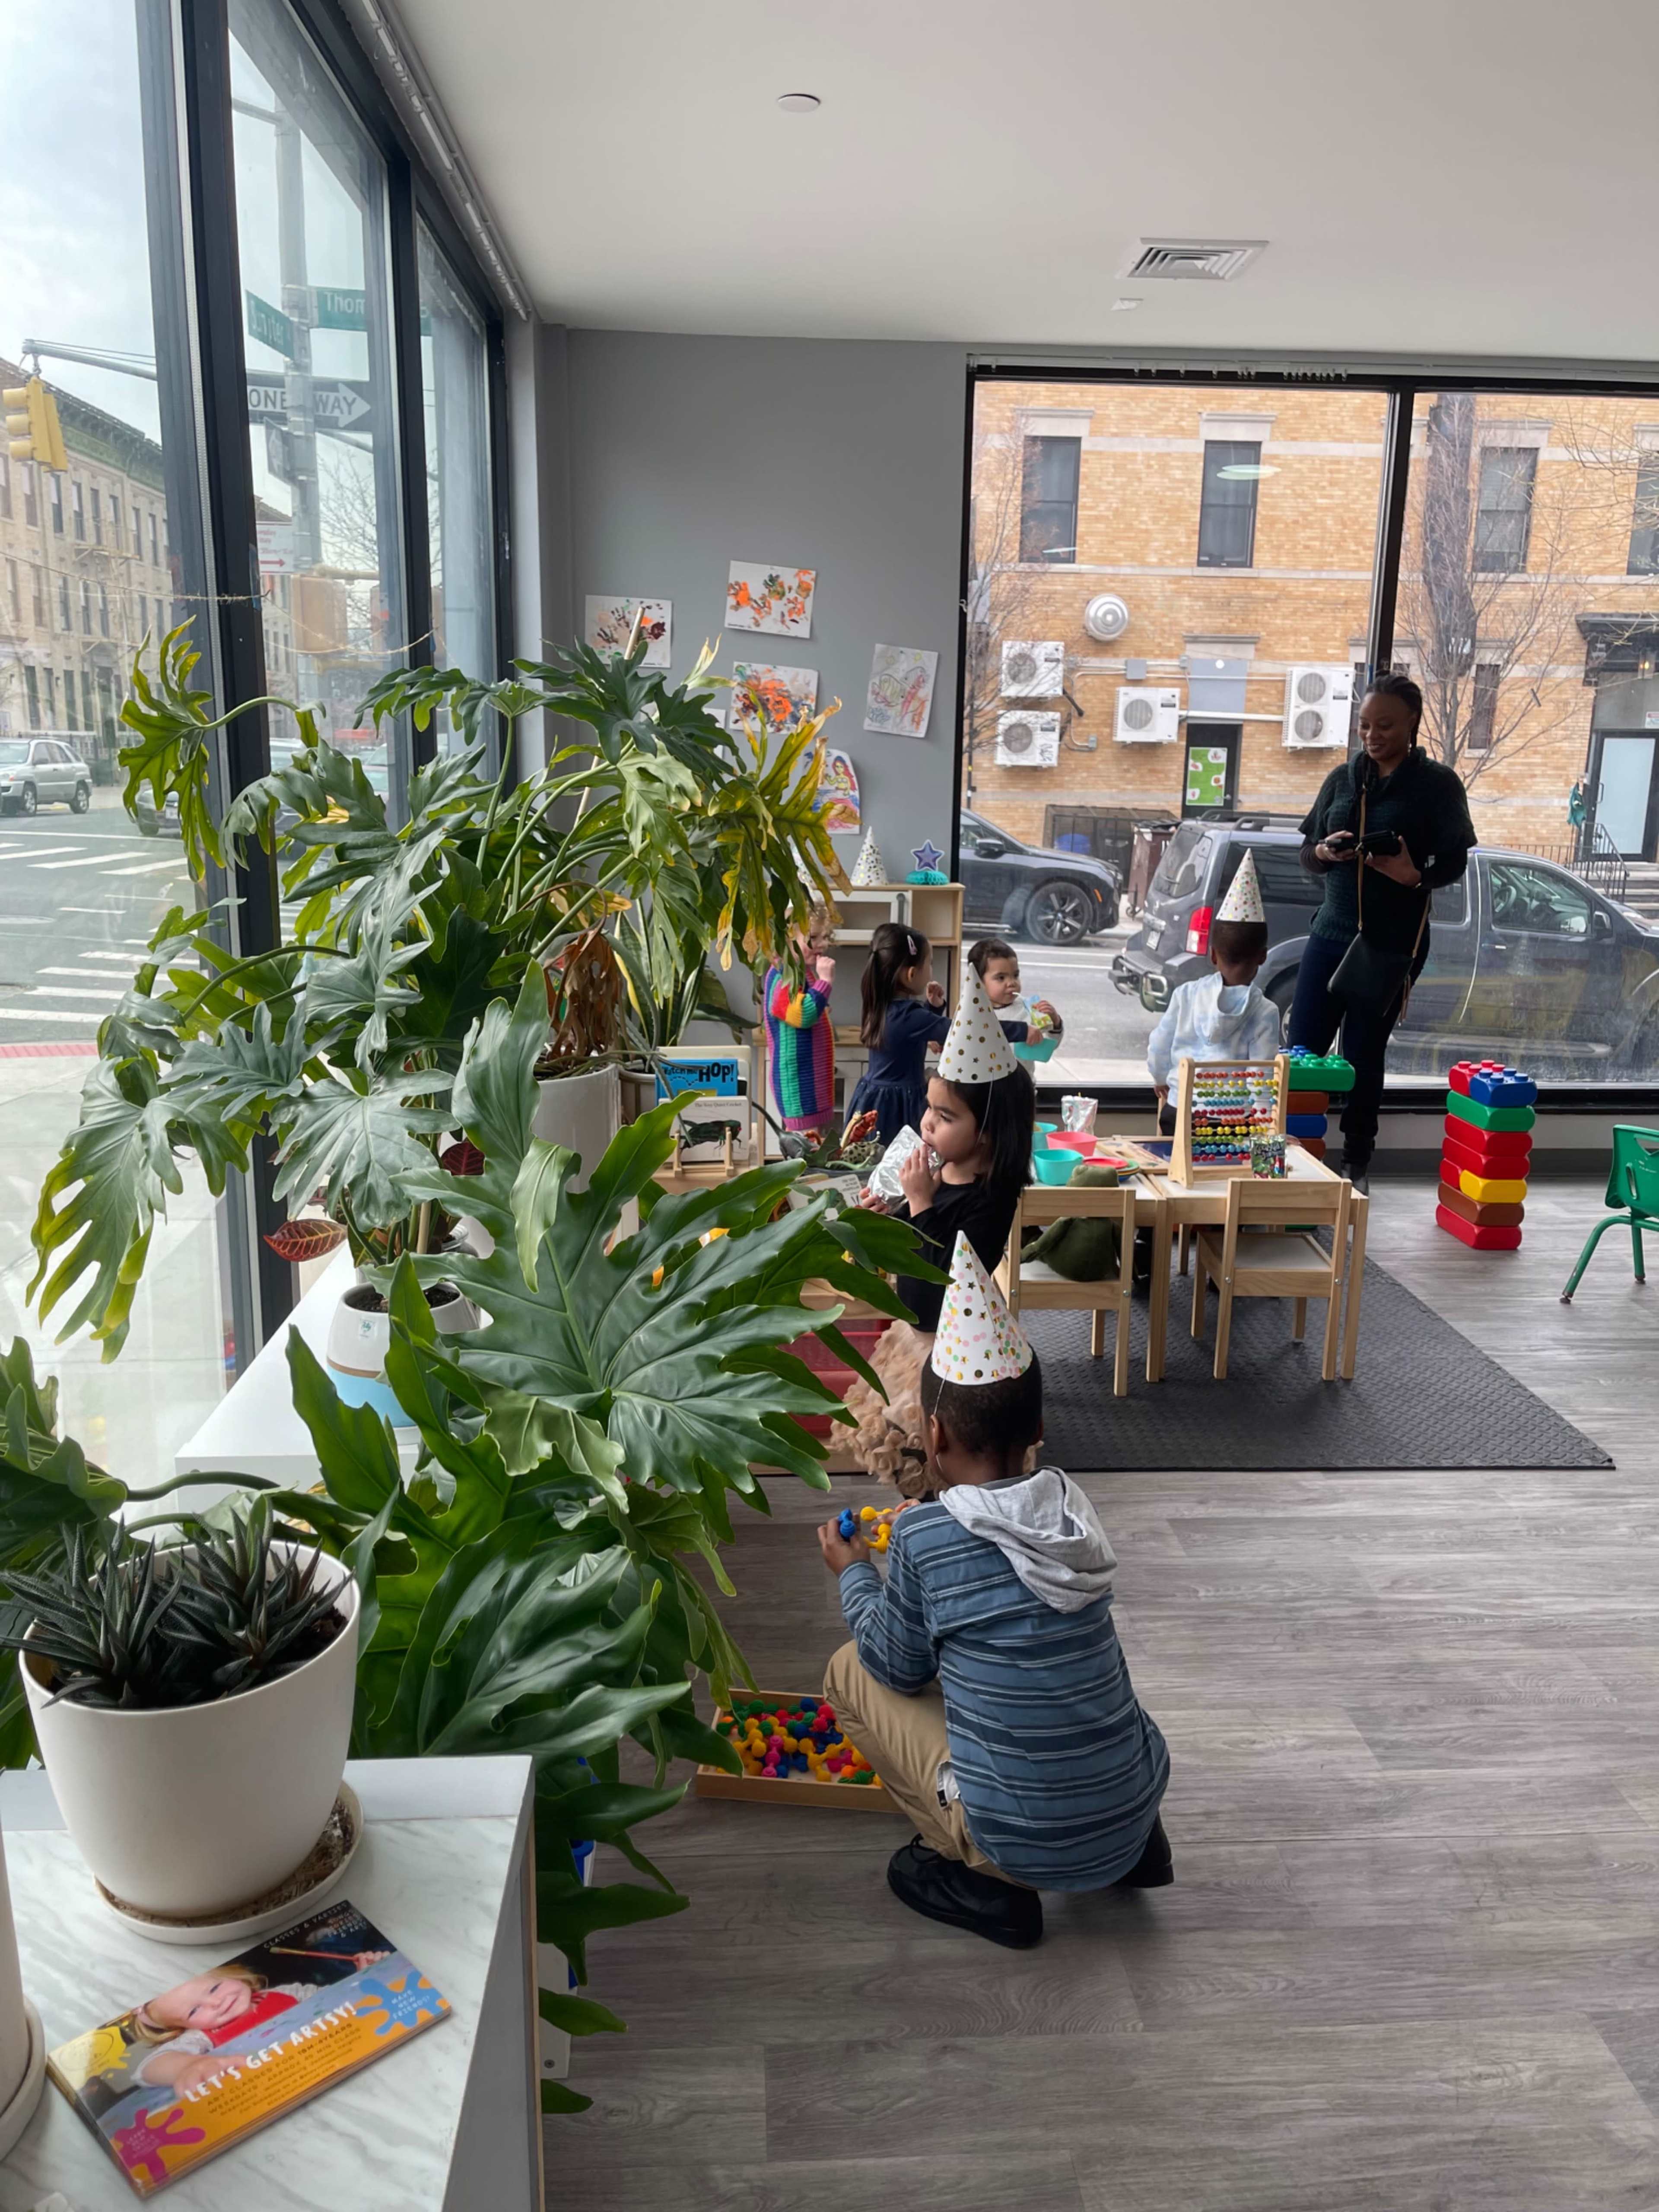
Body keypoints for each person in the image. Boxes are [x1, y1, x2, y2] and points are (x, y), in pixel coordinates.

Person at [818, 1234, 1172, 1949]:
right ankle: (1131, 1841)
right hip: (1135, 1807)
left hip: (1020, 1843)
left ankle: (982, 1876)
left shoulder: (925, 1540)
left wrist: (854, 1573)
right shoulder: (1073, 1510)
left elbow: (896, 1666)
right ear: (1037, 1429)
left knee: (848, 1669)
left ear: (934, 1432)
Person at [845, 969, 1035, 1490]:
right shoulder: (942, 1167)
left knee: (949, 1458)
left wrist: (922, 1203)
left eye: (945, 1115)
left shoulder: (991, 1200)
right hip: (915, 1342)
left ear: (988, 1137)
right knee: (915, 1454)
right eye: (930, 1107)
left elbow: (935, 1290)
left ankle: (949, 1518)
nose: (927, 1123)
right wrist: (893, 1213)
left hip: (953, 1357)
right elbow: (910, 1254)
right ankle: (926, 1512)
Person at [1290, 673, 1475, 1192]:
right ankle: (1288, 1158)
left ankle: (1356, 1165)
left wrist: (1415, 874)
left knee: (1364, 1055)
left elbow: (1456, 859)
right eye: (1365, 724)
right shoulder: (1341, 780)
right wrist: (1325, 853)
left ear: (1413, 721)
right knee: (1301, 1049)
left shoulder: (1437, 785)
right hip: (1330, 933)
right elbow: (1307, 852)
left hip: (1391, 943)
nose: (1372, 735)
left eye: (1386, 725)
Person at [124, 1947, 389, 2095]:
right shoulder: (203, 2037)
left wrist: (365, 1976)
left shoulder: (284, 1993)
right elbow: (148, 2068)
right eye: (194, 2012)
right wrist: (193, 2066)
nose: (216, 2003)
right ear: (185, 2027)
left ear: (234, 1975)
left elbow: (335, 2000)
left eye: (214, 1989)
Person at [1145, 850, 1279, 1135]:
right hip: (1232, 1123)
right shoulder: (1266, 1011)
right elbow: (1262, 1077)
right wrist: (1265, 1129)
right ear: (1263, 957)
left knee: (1179, 1166)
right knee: (1228, 1166)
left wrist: (1160, 1078)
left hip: (1177, 1112)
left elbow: (1159, 1044)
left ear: (1213, 956)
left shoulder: (1185, 995)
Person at [846, 922, 950, 1144]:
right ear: (911, 974)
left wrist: (933, 1009)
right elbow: (963, 1032)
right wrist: (1022, 1030)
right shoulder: (908, 1016)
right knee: (902, 1166)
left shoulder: (880, 1004)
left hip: (873, 1098)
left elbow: (910, 1035)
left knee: (875, 1166)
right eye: (929, 964)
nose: (932, 970)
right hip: (899, 1105)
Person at [762, 903, 837, 1135]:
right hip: (798, 1086)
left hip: (811, 1084)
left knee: (814, 1145)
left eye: (825, 937)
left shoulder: (800, 972)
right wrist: (825, 983)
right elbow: (802, 1014)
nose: (822, 945)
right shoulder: (784, 975)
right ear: (785, 940)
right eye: (813, 937)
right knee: (807, 1147)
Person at [968, 937, 1064, 1046]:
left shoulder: (1029, 1008)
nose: (1012, 983)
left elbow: (1049, 1045)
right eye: (1001, 978)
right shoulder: (973, 1010)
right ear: (979, 982)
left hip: (1022, 1064)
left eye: (1015, 975)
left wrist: (1055, 1023)